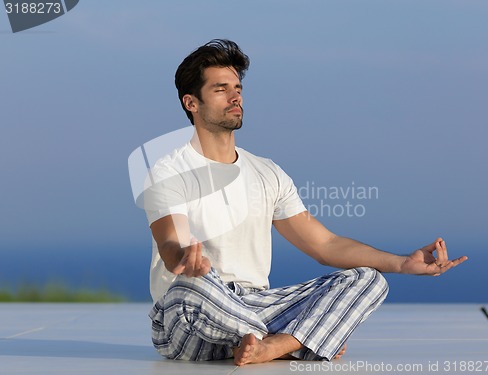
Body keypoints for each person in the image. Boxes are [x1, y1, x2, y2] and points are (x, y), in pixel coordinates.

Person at [143, 39, 467, 366]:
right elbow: (170, 240)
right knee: (189, 289)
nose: (235, 96)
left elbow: (325, 244)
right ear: (191, 103)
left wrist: (402, 263)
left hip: (257, 306)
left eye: (238, 87)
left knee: (367, 279)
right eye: (220, 89)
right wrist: (184, 259)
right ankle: (300, 340)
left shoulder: (267, 172)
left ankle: (272, 345)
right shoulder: (169, 169)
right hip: (192, 317)